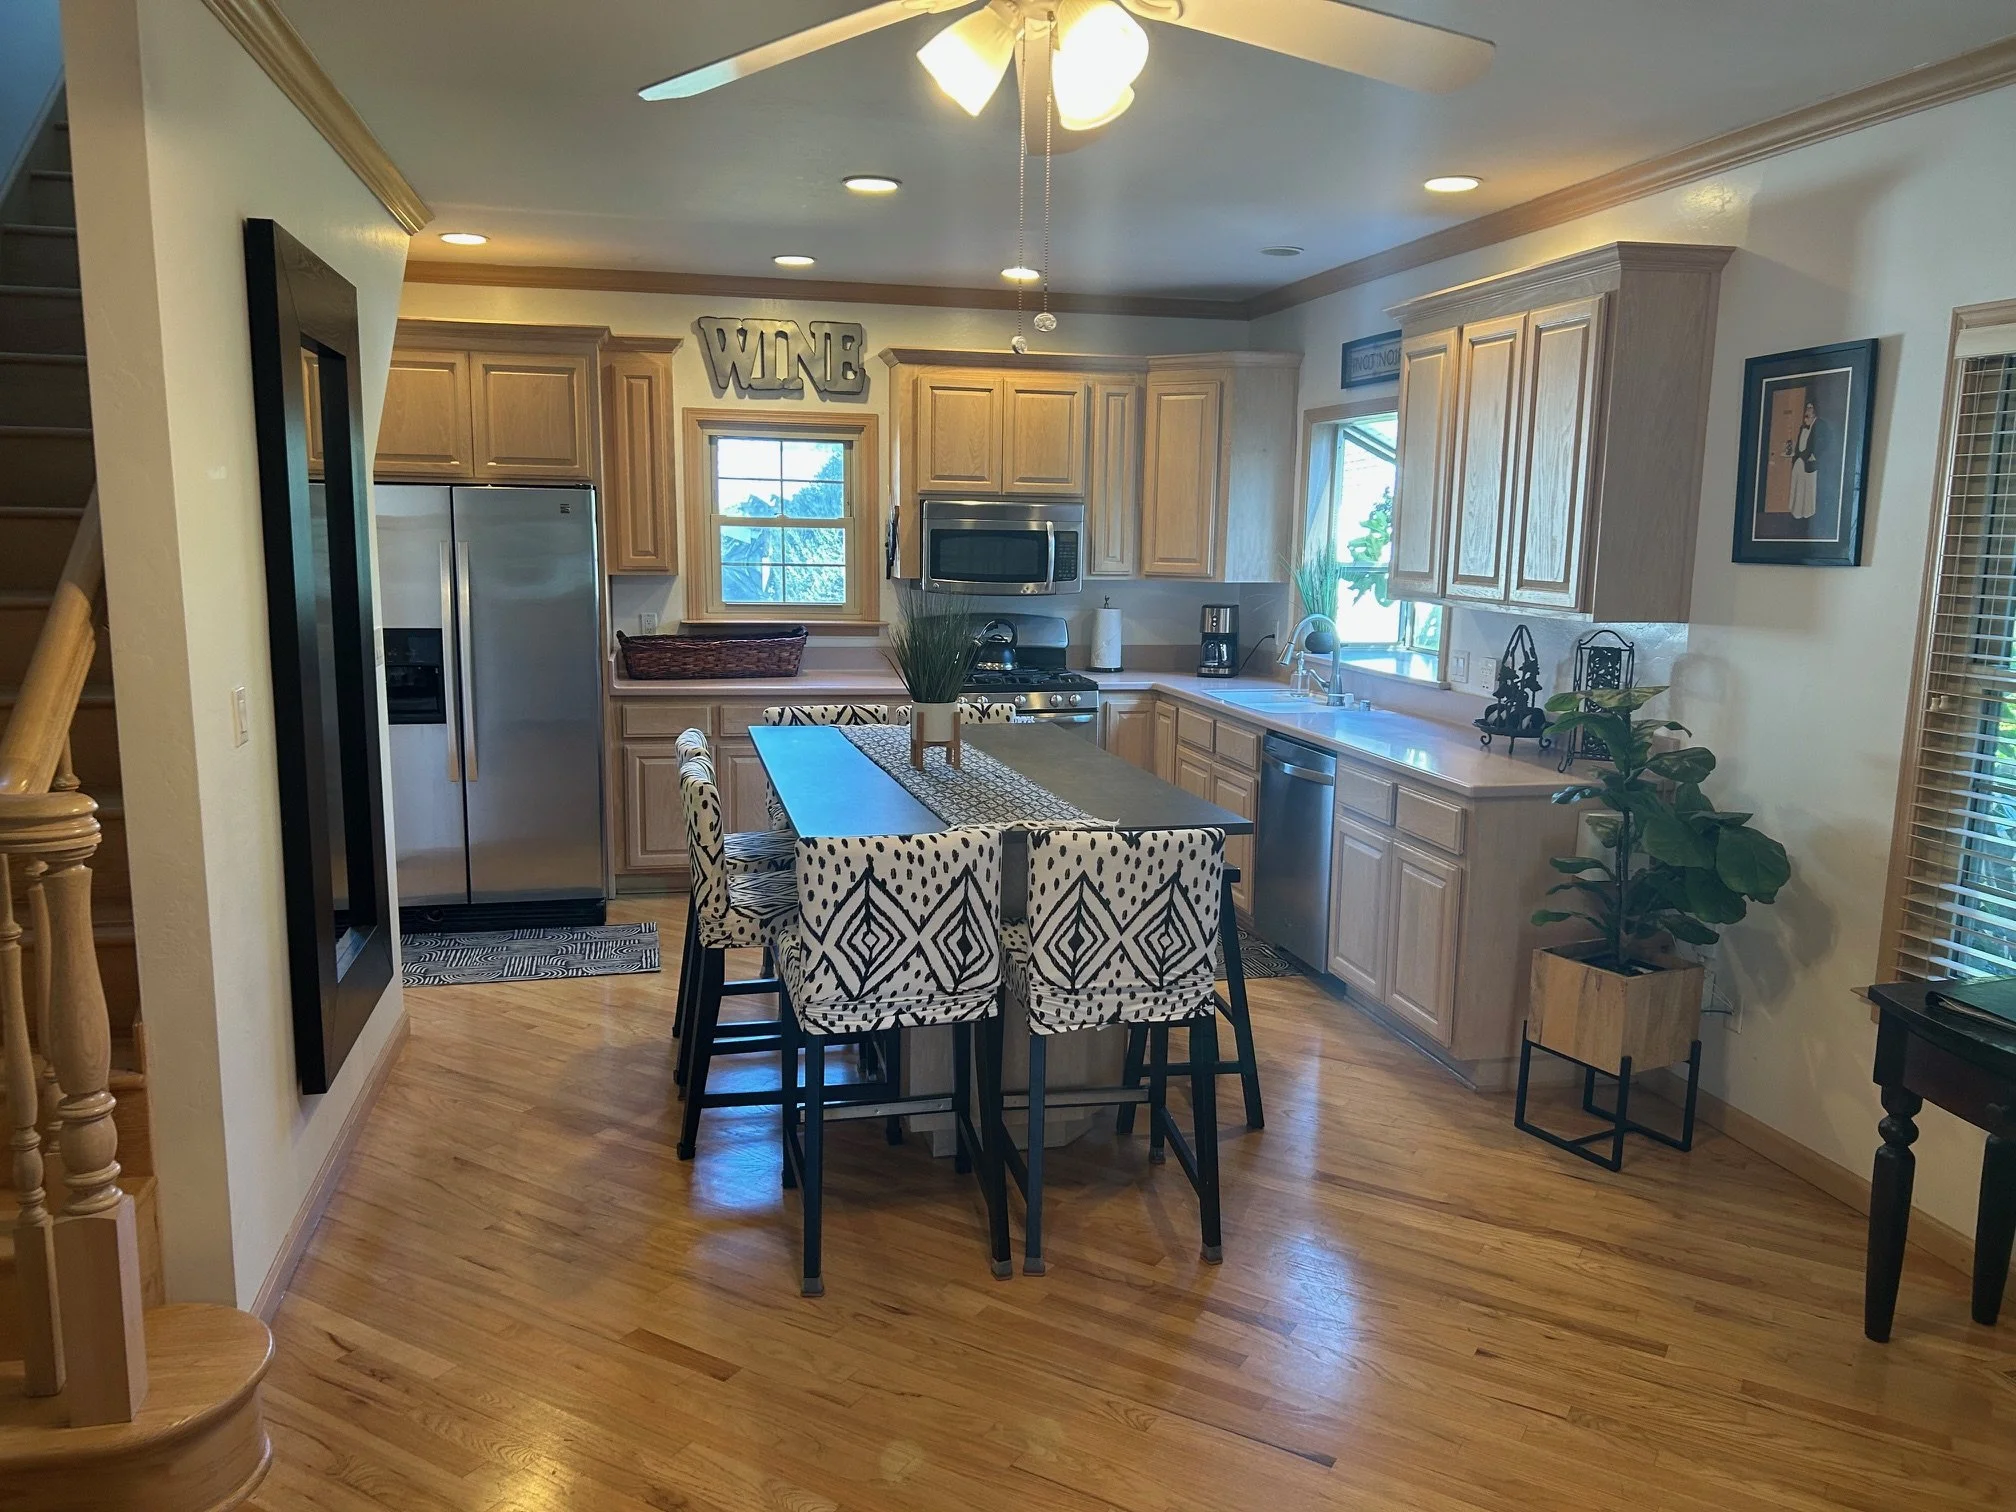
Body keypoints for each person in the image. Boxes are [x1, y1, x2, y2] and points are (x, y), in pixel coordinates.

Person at [1784, 399, 1825, 522]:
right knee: (1797, 486)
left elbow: (1825, 442)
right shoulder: (1803, 426)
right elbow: (1800, 443)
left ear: (1815, 410)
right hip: (1799, 460)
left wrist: (1815, 456)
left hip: (1809, 463)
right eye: (1807, 408)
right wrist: (1796, 456)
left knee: (1808, 489)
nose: (1808, 411)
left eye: (1810, 408)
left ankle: (1807, 514)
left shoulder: (1820, 425)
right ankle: (1796, 512)